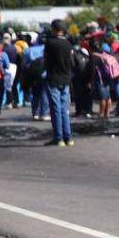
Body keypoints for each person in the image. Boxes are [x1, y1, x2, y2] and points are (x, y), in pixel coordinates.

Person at [43, 19, 75, 147]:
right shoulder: (68, 43)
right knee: (64, 109)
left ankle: (58, 137)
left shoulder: (50, 43)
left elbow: (46, 61)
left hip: (53, 78)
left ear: (54, 29)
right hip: (66, 78)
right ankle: (68, 137)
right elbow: (72, 62)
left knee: (55, 108)